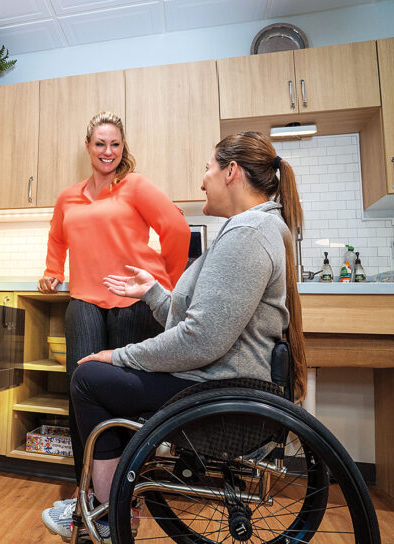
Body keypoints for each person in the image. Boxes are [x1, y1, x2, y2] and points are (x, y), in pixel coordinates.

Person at [42, 130, 307, 542]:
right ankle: (107, 503)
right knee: (99, 375)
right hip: (218, 378)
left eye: (208, 169)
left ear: (231, 172)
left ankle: (109, 511)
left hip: (217, 388)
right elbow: (199, 325)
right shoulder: (251, 230)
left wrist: (121, 356)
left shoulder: (248, 234)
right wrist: (152, 291)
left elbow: (201, 339)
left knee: (89, 379)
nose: (203, 180)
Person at [38, 111, 190, 528]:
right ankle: (89, 497)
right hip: (85, 299)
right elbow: (57, 237)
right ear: (88, 146)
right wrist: (53, 270)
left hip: (133, 303)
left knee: (123, 398)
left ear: (124, 148)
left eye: (115, 144)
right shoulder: (69, 196)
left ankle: (126, 497)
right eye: (100, 143)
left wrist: (170, 286)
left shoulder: (135, 186)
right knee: (81, 391)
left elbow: (175, 227)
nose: (108, 151)